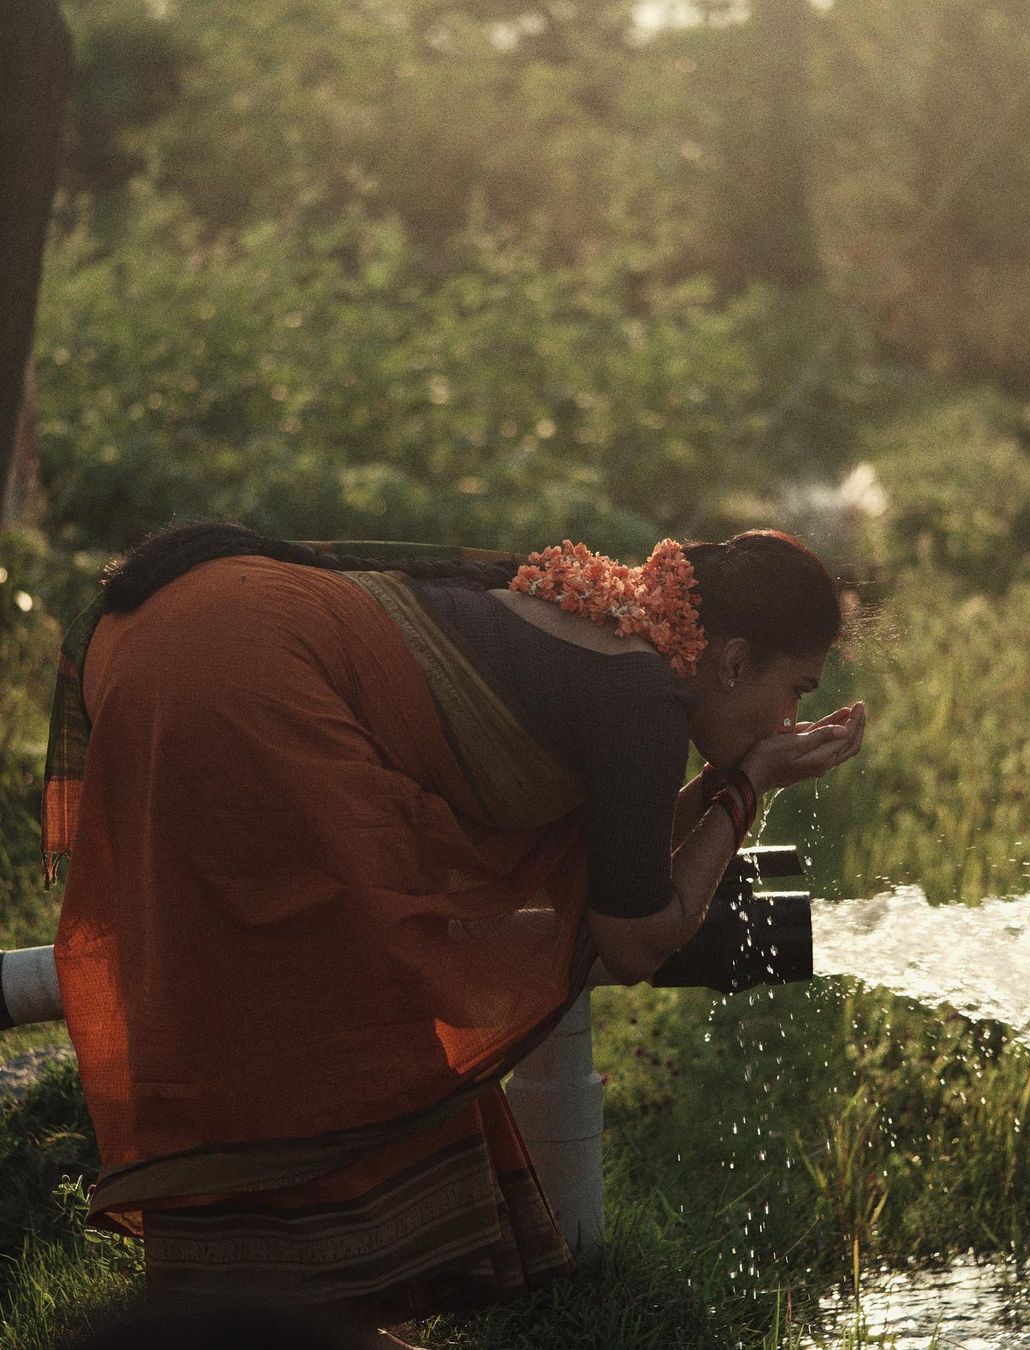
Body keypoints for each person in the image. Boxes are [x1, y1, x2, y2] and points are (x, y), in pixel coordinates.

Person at [41, 523, 865, 1350]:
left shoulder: (612, 637)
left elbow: (627, 864)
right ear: (730, 662)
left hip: (169, 635)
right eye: (796, 688)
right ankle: (271, 1319)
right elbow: (637, 936)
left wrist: (730, 788)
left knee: (257, 992)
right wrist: (749, 786)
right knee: (348, 1003)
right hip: (243, 673)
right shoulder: (643, 693)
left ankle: (239, 1316)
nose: (792, 716)